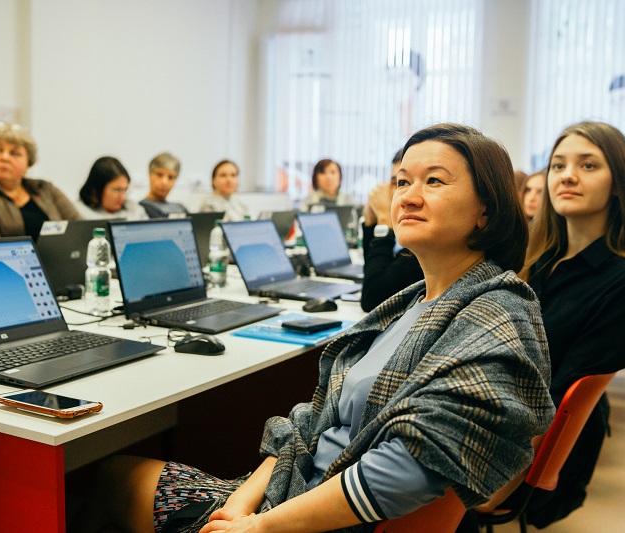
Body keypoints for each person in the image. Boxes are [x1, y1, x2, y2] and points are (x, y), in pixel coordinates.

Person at [75, 123, 556, 533]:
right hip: (292, 497)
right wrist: (240, 506)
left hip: (315, 520)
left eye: (433, 181)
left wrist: (259, 526)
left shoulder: (497, 313)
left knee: (105, 477)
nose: (408, 196)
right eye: (401, 181)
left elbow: (409, 468)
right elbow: (314, 421)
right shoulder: (418, 302)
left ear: (486, 208)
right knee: (113, 474)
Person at [518, 121, 625, 527]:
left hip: (537, 452)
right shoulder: (539, 261)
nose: (567, 176)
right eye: (558, 165)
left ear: (619, 183)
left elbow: (558, 394)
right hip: (501, 418)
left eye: (588, 165)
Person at [360, 148, 423, 312]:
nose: (406, 196)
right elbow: (374, 273)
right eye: (400, 183)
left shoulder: (424, 244)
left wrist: (384, 221)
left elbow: (372, 299)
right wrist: (371, 224)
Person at [76, 156, 148, 220]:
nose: (122, 197)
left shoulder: (134, 209)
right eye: (116, 190)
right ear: (96, 189)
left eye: (125, 190)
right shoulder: (78, 212)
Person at [141, 152, 188, 218]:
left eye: (170, 177)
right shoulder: (140, 210)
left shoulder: (180, 208)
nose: (164, 182)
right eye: (159, 175)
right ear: (149, 174)